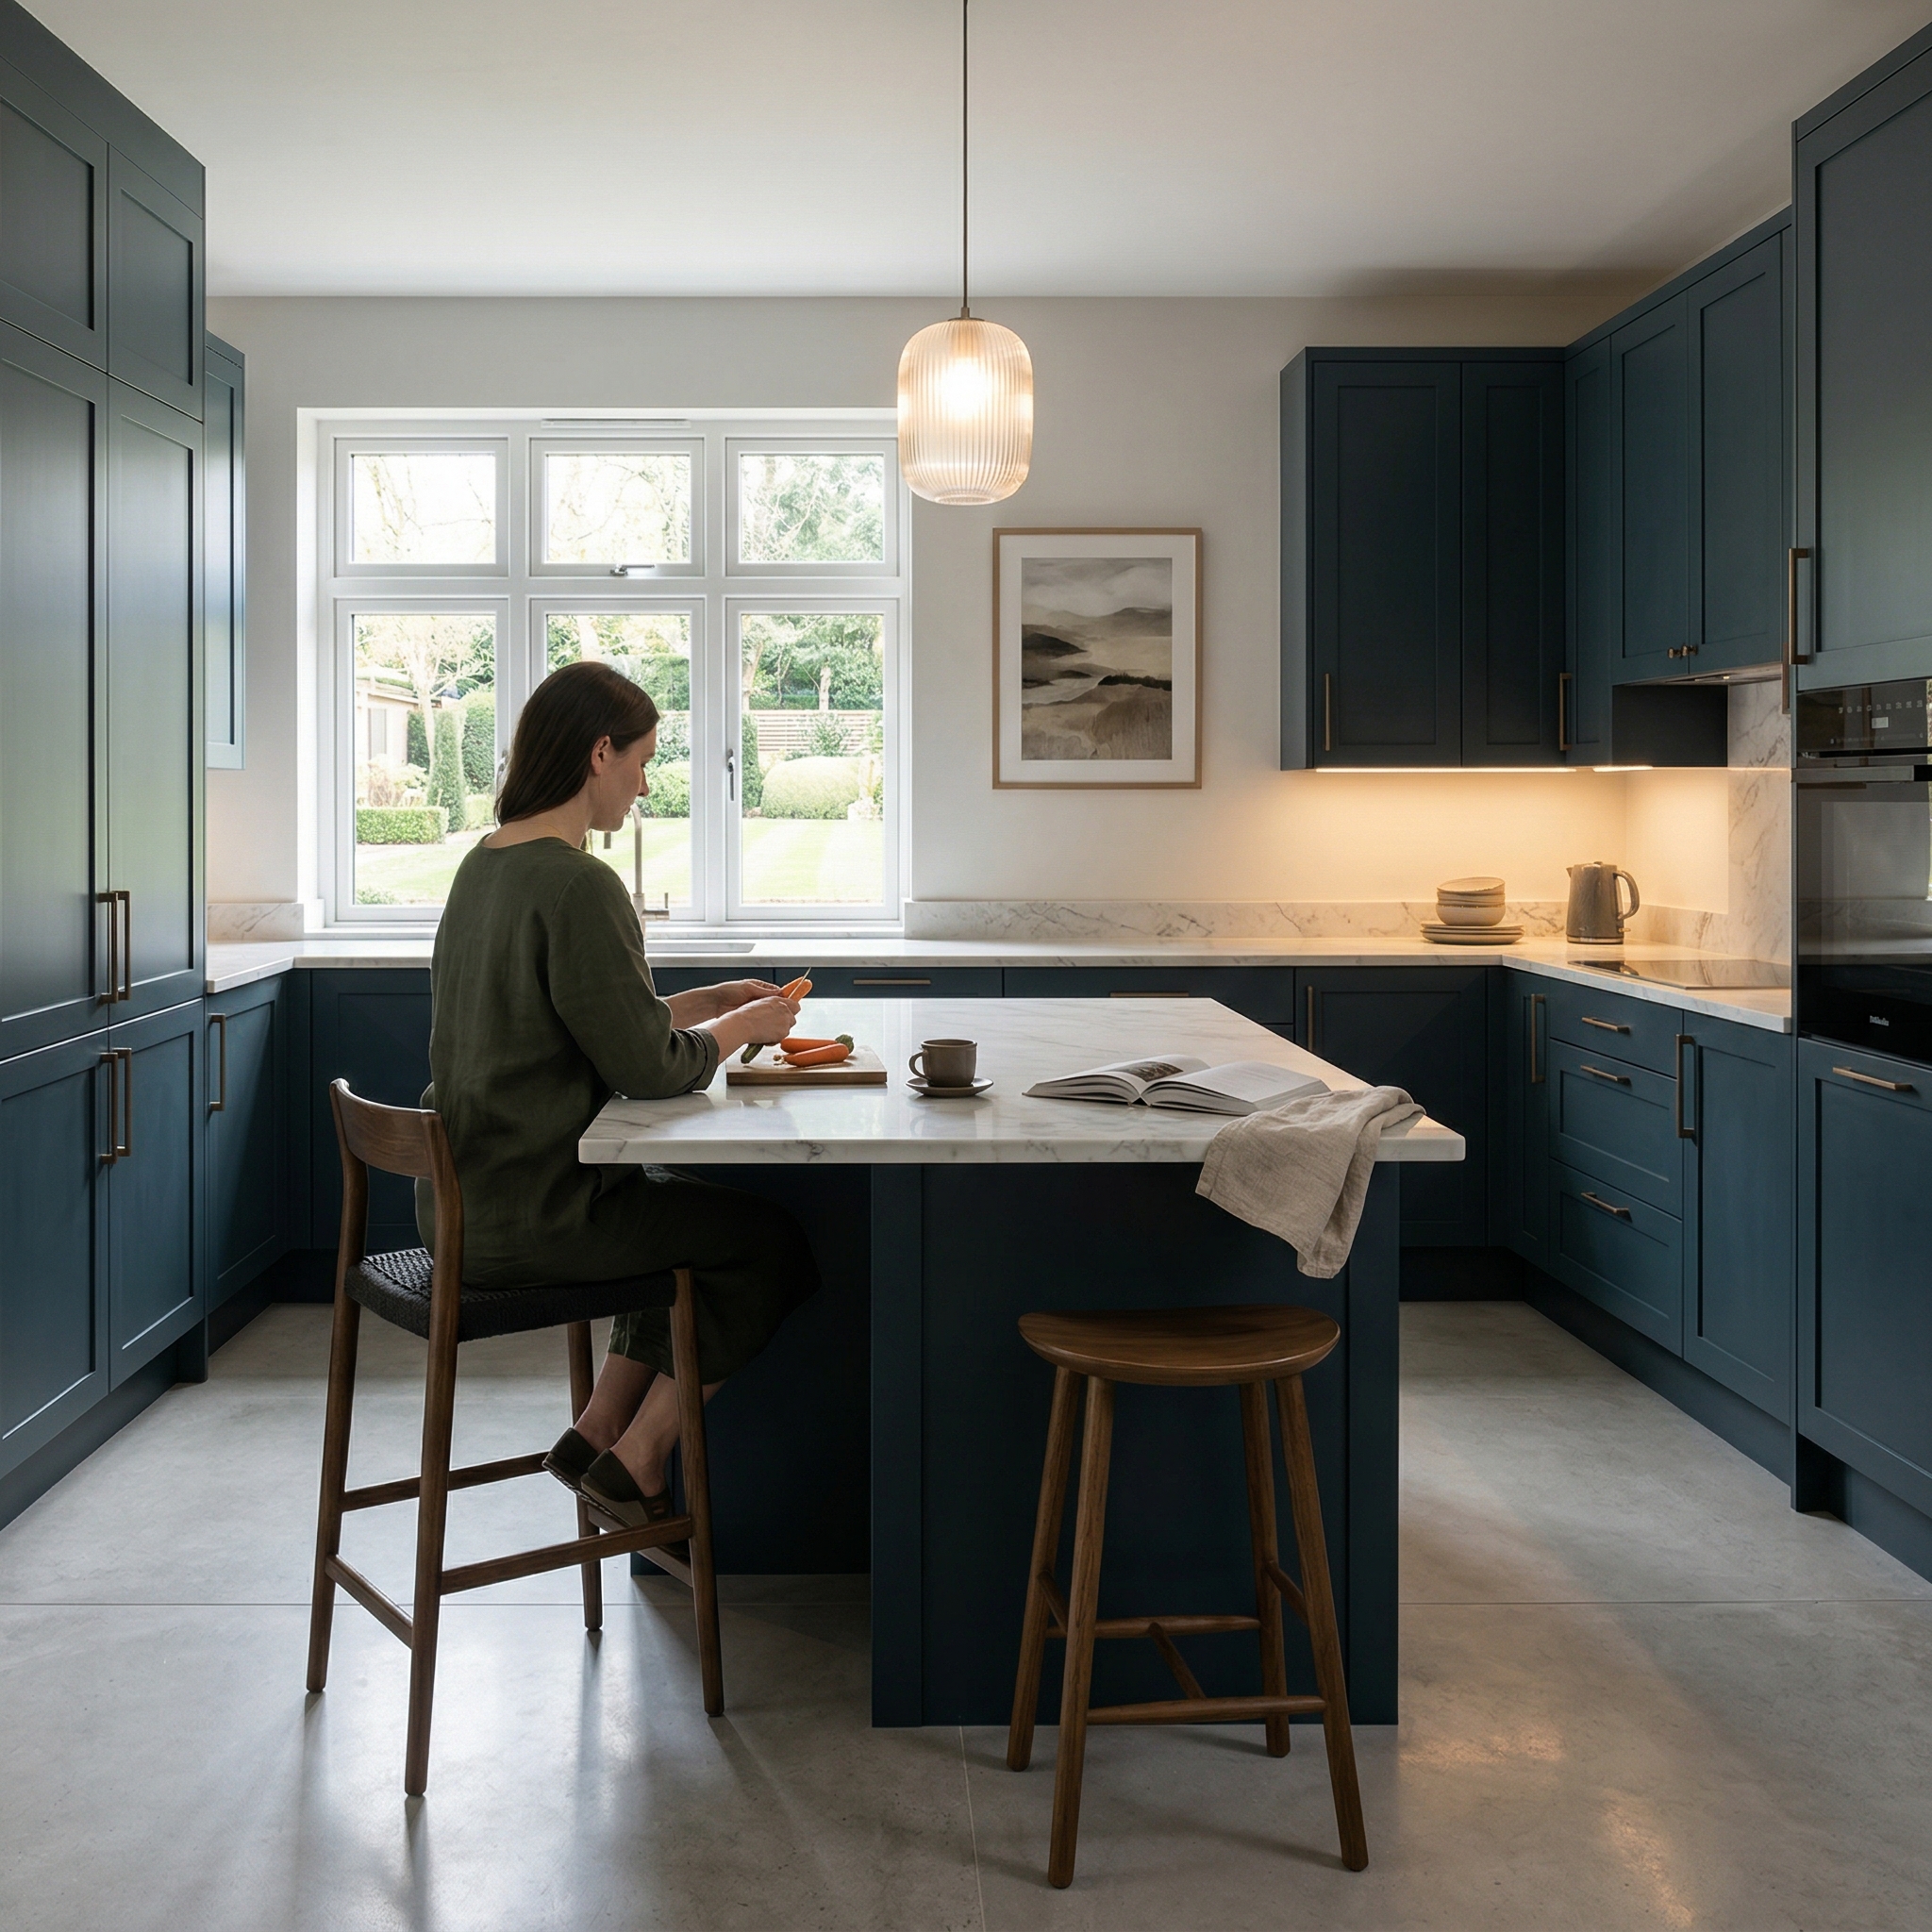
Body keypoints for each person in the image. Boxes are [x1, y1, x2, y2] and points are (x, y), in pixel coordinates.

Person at [418, 658, 818, 1536]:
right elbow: (653, 1069)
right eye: (640, 761)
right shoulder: (578, 881)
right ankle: (638, 1463)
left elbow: (577, 1027)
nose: (643, 784)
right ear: (600, 754)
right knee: (768, 1246)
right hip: (543, 1215)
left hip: (462, 1206)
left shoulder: (482, 868)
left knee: (667, 1221)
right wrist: (743, 1032)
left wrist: (708, 1004)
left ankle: (594, 1434)